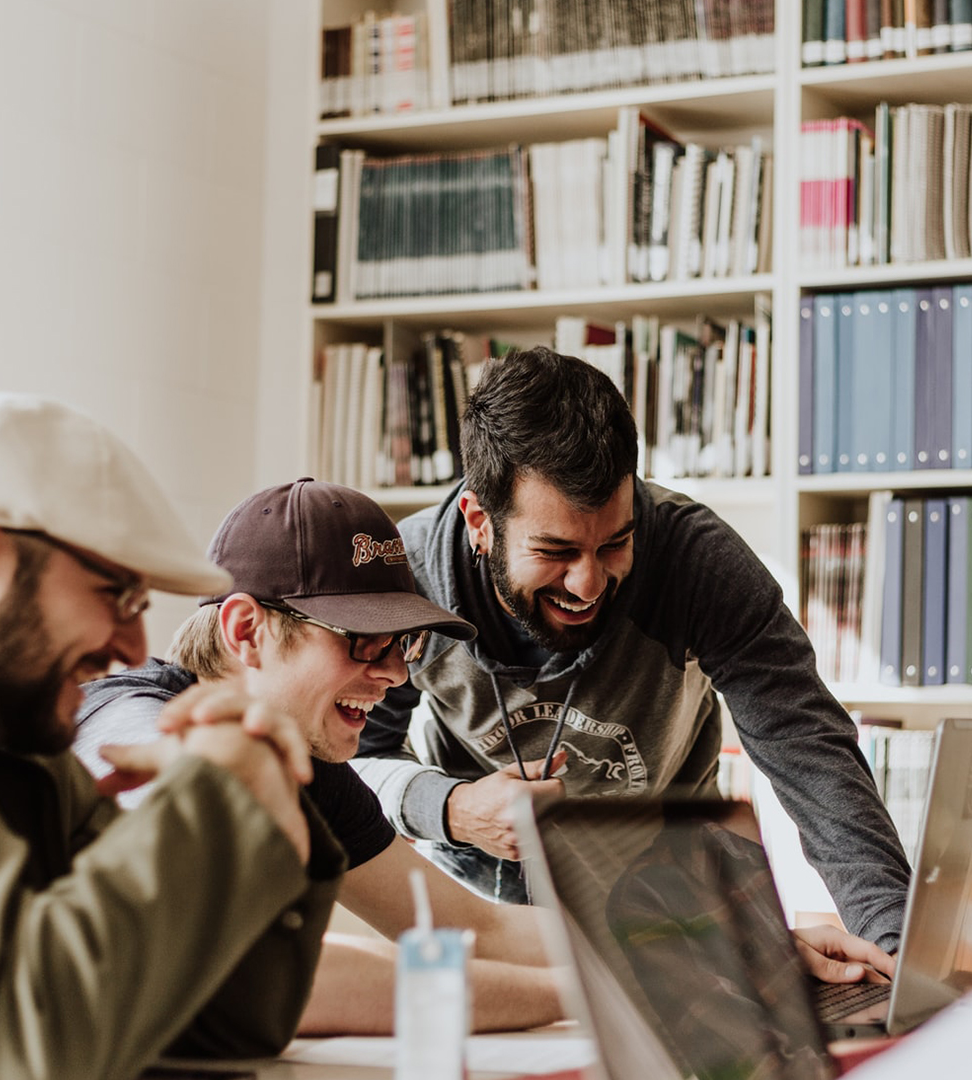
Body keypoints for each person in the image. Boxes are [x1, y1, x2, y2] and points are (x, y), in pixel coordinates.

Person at [353, 346, 912, 956]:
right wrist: (451, 808)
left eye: (615, 543)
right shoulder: (407, 583)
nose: (588, 584)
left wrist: (894, 947)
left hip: (668, 899)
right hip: (480, 912)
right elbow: (352, 760)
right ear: (479, 521)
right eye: (556, 551)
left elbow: (810, 753)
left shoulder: (699, 562)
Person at [0, 393, 346, 1080]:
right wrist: (216, 797)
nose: (135, 647)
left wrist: (263, 800)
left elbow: (216, 1029)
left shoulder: (13, 737)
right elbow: (25, 1046)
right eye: (118, 597)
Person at [76, 478, 569, 1035]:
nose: (397, 674)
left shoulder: (306, 764)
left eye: (403, 643)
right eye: (363, 639)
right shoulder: (131, 726)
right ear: (246, 631)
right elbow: (257, 973)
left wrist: (652, 948)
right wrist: (580, 995)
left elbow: (473, 929)